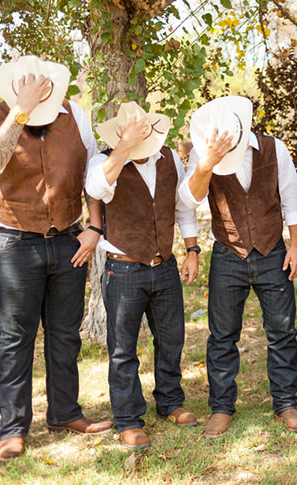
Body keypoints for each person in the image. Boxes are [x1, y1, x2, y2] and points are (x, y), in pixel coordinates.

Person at [0, 56, 111, 462]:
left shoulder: (75, 114)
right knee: (15, 340)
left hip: (68, 240)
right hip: (13, 243)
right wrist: (22, 110)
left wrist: (95, 226)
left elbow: (91, 173)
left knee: (65, 334)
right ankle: (13, 430)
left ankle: (65, 413)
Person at [180, 96, 297, 438]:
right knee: (222, 336)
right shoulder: (201, 150)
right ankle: (221, 409)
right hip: (227, 252)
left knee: (283, 332)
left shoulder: (274, 149)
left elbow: (293, 199)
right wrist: (206, 163)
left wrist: (296, 245)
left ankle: (286, 404)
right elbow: (189, 201)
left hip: (272, 251)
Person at [85, 102, 200, 450]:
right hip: (123, 268)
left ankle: (170, 402)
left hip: (164, 265)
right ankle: (128, 419)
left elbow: (183, 208)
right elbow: (95, 187)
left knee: (171, 340)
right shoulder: (103, 161)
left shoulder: (169, 160)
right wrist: (124, 146)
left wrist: (192, 249)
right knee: (123, 350)